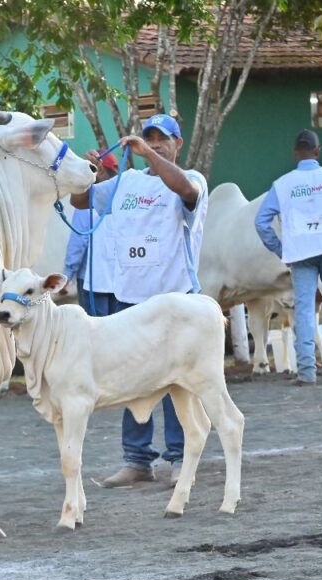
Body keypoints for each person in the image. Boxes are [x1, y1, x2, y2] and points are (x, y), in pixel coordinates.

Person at [69, 113, 209, 487]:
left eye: (163, 138)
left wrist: (148, 154)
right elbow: (81, 201)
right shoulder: (126, 182)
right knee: (132, 381)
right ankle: (137, 460)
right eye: (150, 137)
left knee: (178, 381)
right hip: (130, 300)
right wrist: (88, 173)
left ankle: (181, 458)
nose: (156, 143)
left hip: (176, 298)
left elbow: (185, 191)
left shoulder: (192, 178)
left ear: (178, 143)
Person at [254, 129, 322, 386]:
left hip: (300, 254)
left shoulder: (283, 184)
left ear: (296, 153)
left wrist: (280, 249)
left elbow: (261, 222)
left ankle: (307, 371)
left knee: (305, 309)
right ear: (318, 151)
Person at [61, 152, 120, 316]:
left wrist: (67, 276)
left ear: (99, 170)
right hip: (119, 279)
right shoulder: (122, 199)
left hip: (91, 279)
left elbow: (79, 242)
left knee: (94, 326)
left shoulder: (87, 202)